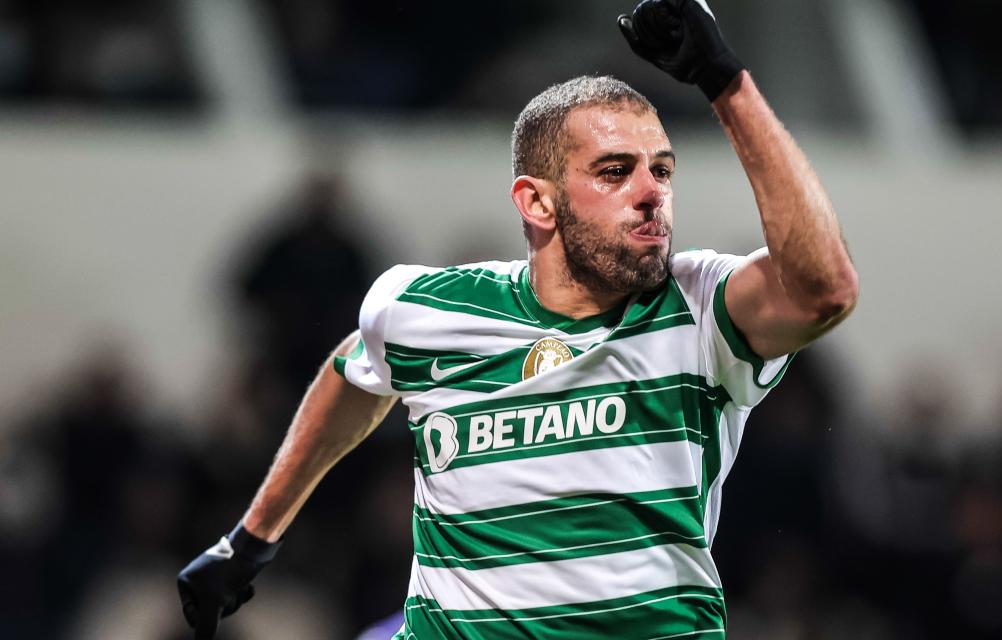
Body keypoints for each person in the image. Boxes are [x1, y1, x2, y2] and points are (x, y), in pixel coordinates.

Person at [177, 1, 859, 638]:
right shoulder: (425, 308)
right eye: (615, 171)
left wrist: (726, 82)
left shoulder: (699, 306)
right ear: (537, 203)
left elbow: (824, 289)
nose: (651, 192)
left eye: (662, 170)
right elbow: (354, 369)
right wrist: (252, 539)